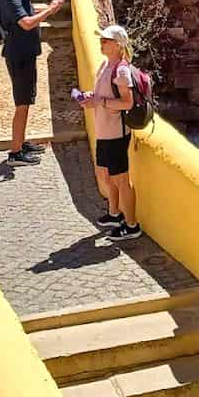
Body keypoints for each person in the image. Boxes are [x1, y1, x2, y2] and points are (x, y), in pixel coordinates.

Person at [76, 24, 142, 242]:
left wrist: (100, 102)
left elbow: (127, 102)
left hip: (116, 134)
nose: (101, 42)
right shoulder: (105, 65)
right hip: (105, 132)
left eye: (105, 40)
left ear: (117, 45)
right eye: (101, 39)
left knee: (121, 179)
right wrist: (90, 98)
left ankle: (132, 225)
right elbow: (102, 96)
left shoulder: (121, 71)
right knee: (106, 175)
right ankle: (114, 214)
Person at [0, 0, 64, 167]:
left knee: (26, 102)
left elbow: (28, 14)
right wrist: (49, 11)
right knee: (22, 104)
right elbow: (26, 23)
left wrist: (47, 8)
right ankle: (15, 153)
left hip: (25, 54)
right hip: (19, 56)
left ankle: (21, 142)